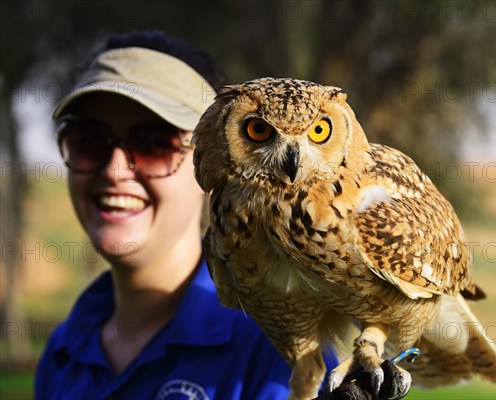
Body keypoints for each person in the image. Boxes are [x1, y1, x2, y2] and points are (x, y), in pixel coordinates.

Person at [34, 30, 303, 399]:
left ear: (214, 163)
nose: (114, 170)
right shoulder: (63, 352)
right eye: (89, 139)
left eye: (153, 142)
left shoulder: (278, 347)